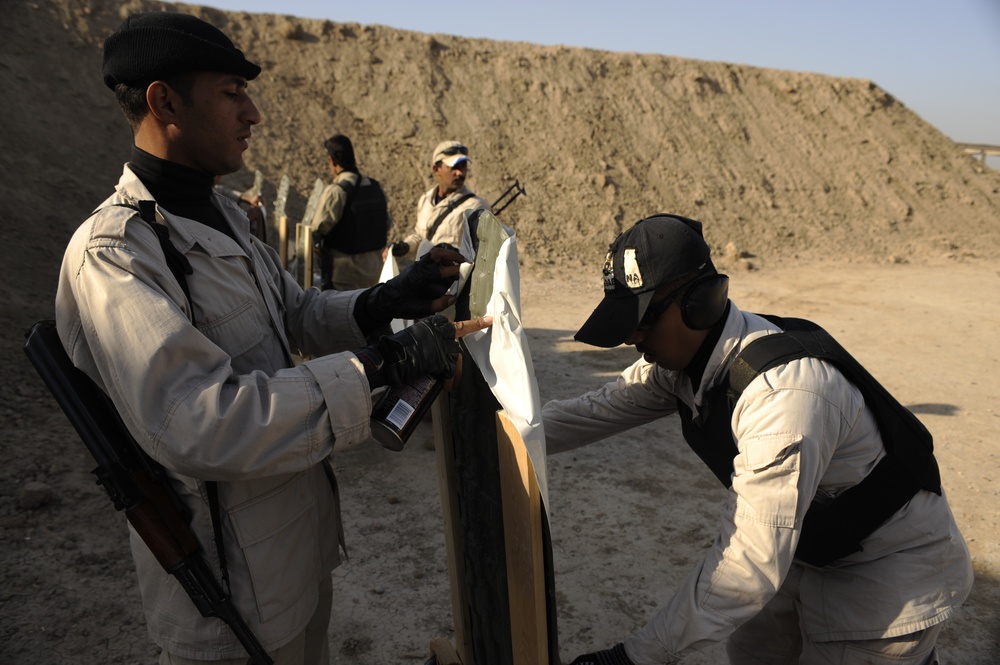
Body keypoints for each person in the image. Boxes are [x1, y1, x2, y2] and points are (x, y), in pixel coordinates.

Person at [55, 12, 490, 664]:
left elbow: (294, 312)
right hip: (230, 601)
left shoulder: (226, 215)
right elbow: (201, 421)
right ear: (163, 101)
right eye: (232, 91)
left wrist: (387, 299)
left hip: (297, 552)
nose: (253, 112)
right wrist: (381, 363)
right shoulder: (118, 252)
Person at [543, 214, 973, 665]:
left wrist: (632, 658)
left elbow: (748, 564)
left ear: (700, 303)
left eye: (644, 320)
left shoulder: (783, 398)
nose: (632, 337)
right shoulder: (682, 364)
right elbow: (590, 412)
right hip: (810, 542)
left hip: (886, 572)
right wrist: (496, 429)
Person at [309, 134, 390, 290]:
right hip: (375, 273)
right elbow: (386, 223)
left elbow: (318, 229)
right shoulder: (374, 187)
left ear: (331, 161)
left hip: (345, 276)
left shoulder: (337, 191)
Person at [389, 140, 491, 262]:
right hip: (423, 276)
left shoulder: (476, 207)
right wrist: (405, 246)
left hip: (453, 279)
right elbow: (421, 236)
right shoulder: (426, 200)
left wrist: (452, 254)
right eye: (454, 167)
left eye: (463, 166)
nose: (460, 173)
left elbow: (483, 257)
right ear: (436, 169)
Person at [213, 174, 267, 241]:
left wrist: (249, 200)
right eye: (217, 175)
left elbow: (227, 192)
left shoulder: (216, 189)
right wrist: (247, 218)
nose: (219, 177)